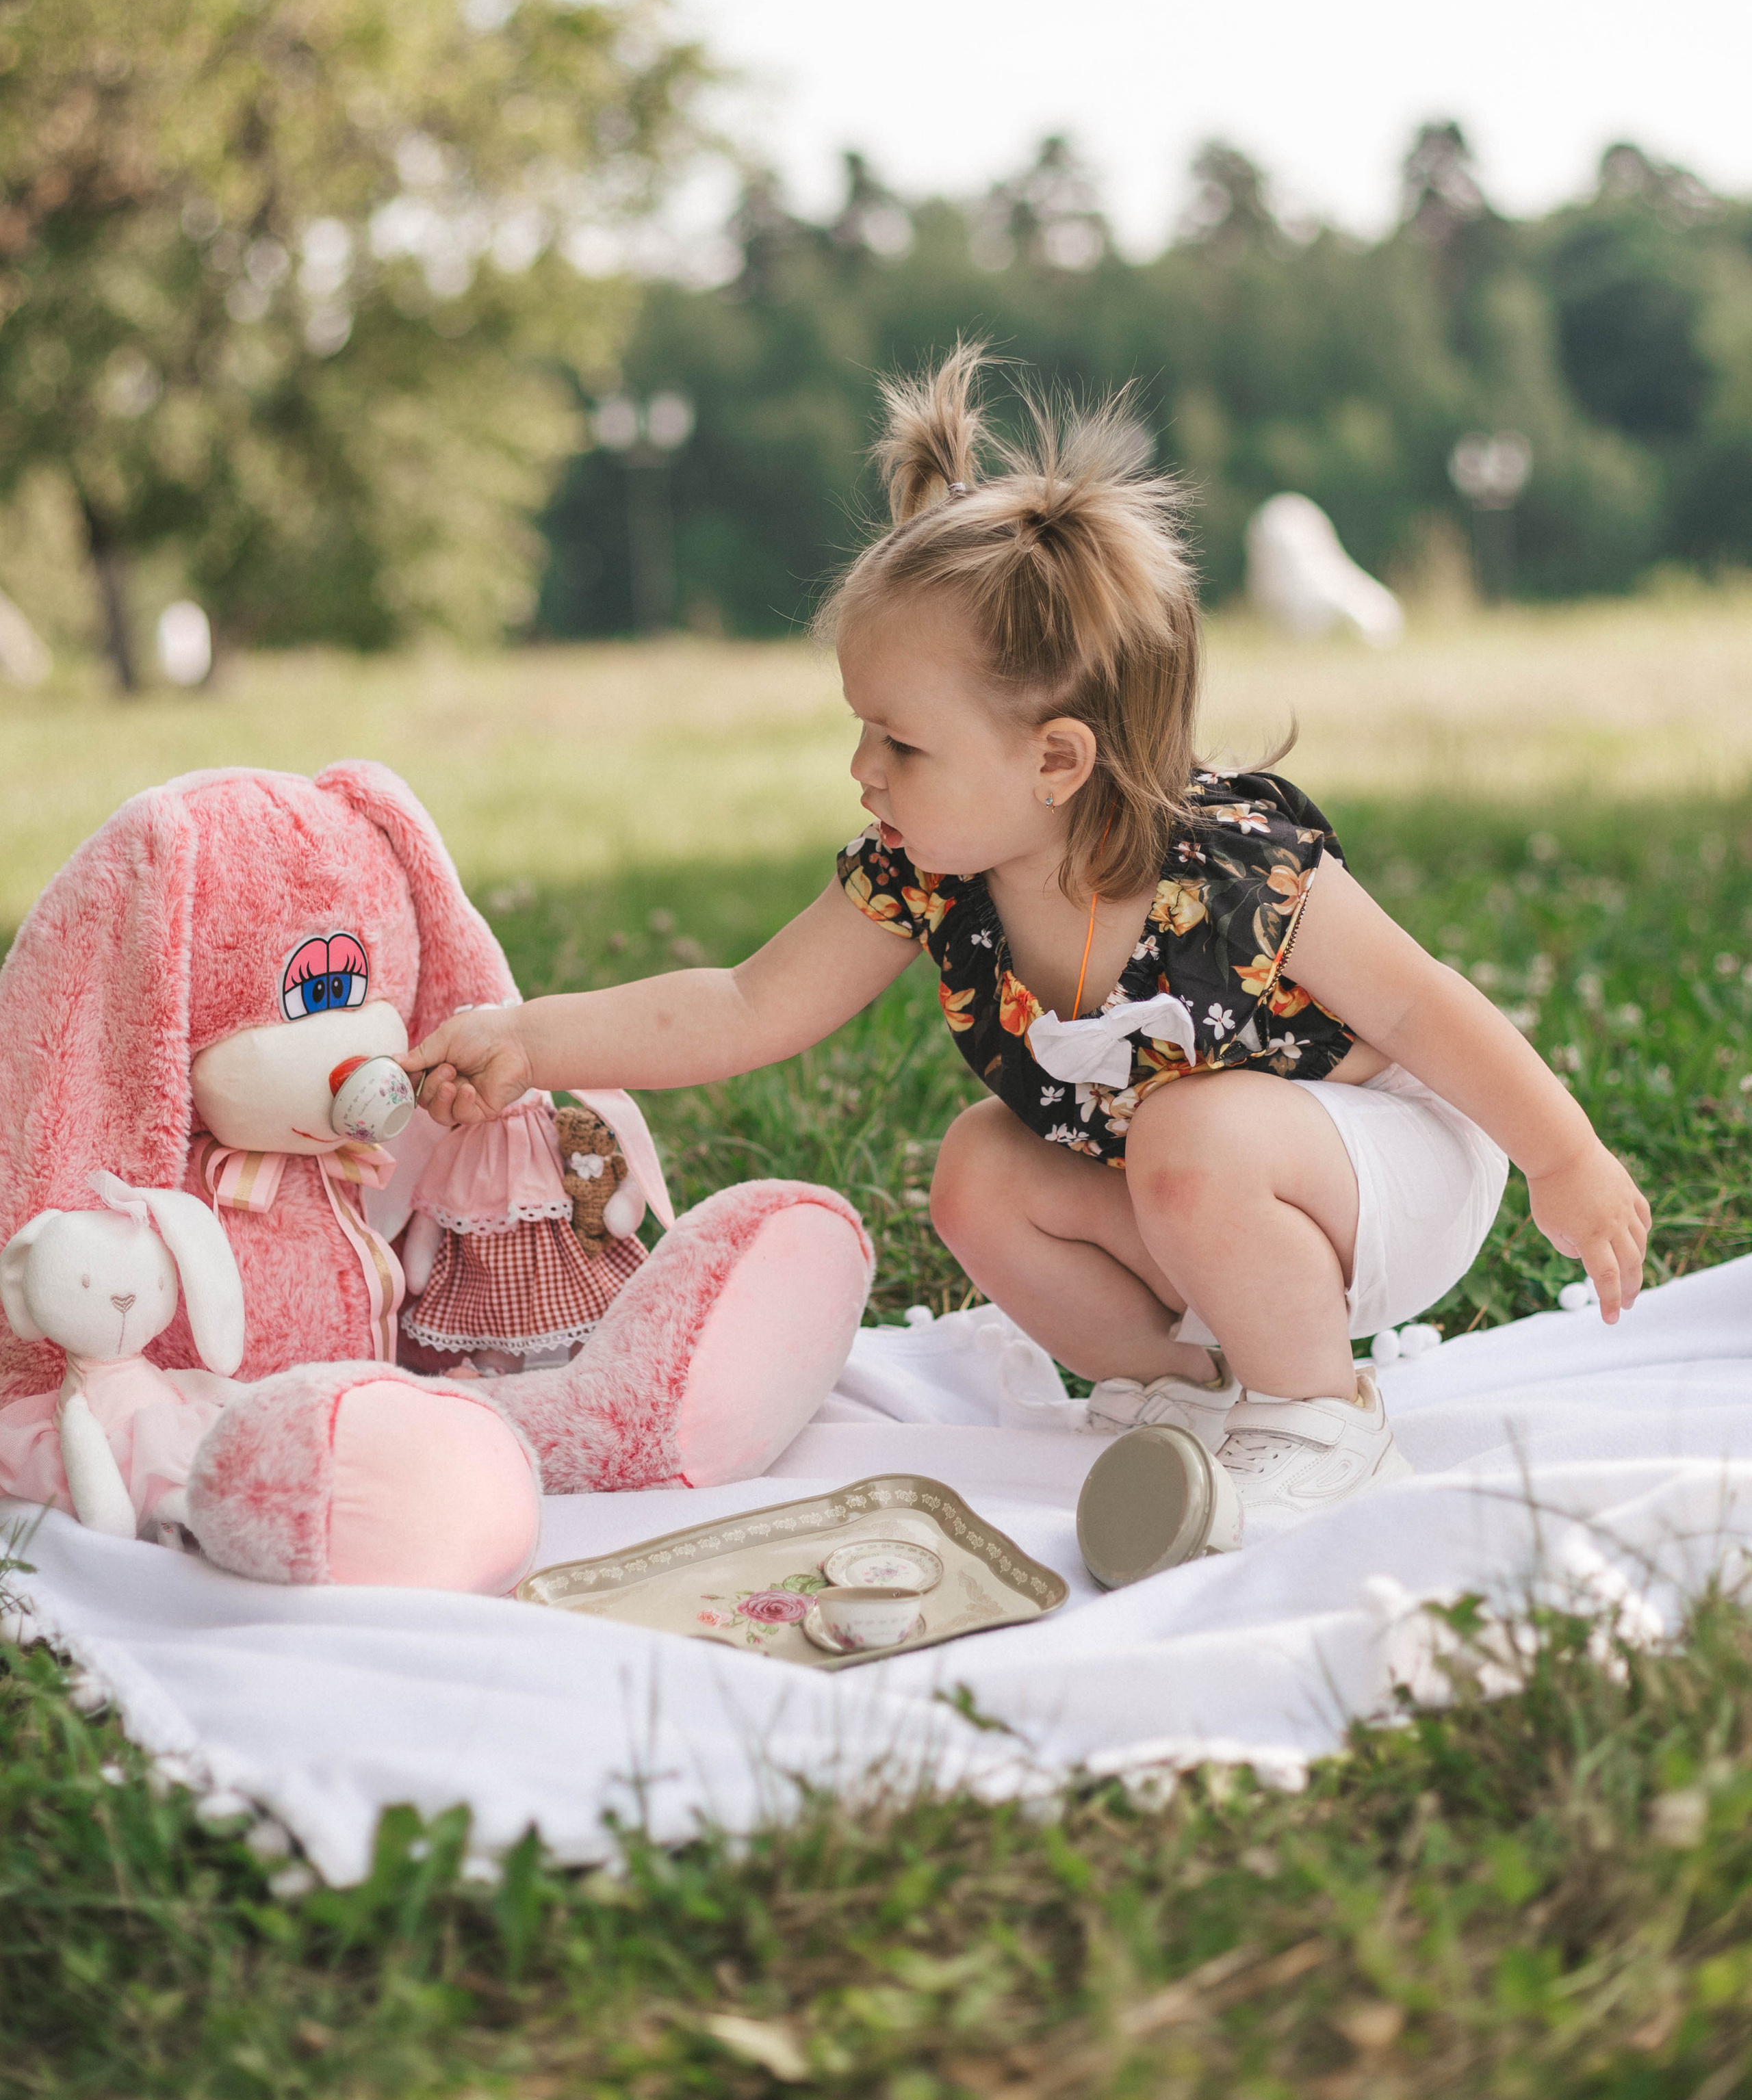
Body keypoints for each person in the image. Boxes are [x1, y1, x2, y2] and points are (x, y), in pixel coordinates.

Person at [404, 349, 1651, 1546]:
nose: (862, 768)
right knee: (980, 1173)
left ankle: (1321, 1415)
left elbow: (1427, 1008)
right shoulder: (925, 872)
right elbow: (742, 1004)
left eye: (901, 743)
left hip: (1384, 1173)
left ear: (1056, 760)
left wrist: (1568, 1160)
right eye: (863, 729)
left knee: (1190, 1132)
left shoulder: (1231, 874)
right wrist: (532, 1041)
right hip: (1207, 1193)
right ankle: (1188, 1391)